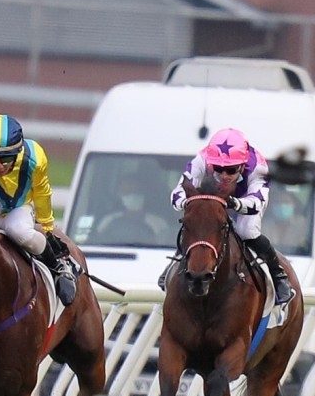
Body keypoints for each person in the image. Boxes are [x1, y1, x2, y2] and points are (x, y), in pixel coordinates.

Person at [0, 114, 77, 305]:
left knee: (18, 231)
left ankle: (59, 267)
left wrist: (47, 226)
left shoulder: (35, 158)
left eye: (6, 158)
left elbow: (41, 191)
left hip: (19, 208)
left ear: (17, 152)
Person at [165, 127, 295, 304]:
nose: (224, 175)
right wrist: (190, 202)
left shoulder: (258, 167)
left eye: (231, 170)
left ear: (242, 165)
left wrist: (234, 203)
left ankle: (278, 275)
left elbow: (257, 202)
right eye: (218, 169)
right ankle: (176, 264)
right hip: (212, 198)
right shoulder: (201, 159)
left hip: (245, 199)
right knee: (199, 224)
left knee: (246, 231)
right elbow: (177, 192)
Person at [93, 177, 170, 244]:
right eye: (127, 192)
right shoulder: (107, 221)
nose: (132, 196)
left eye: (137, 192)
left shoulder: (159, 224)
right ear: (119, 195)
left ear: (145, 194)